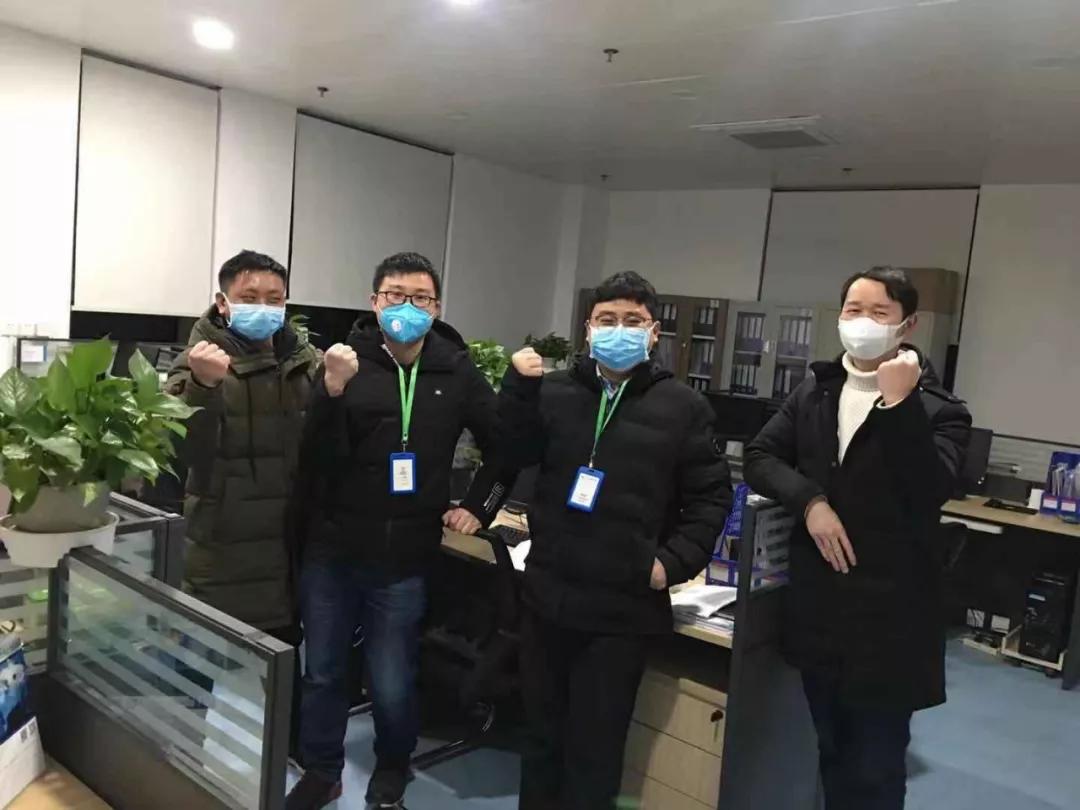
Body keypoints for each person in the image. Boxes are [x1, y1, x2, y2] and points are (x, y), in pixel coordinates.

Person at [285, 252, 513, 810]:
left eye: (420, 298)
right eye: (395, 295)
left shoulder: (456, 371)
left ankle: (392, 766)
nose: (407, 307)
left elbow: (504, 446)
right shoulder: (344, 362)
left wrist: (479, 508)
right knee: (324, 672)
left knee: (392, 678)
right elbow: (312, 458)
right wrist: (331, 392)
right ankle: (322, 770)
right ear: (374, 301)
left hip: (405, 556)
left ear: (436, 308)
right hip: (333, 550)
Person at [498, 271, 732, 810]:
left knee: (594, 753)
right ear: (588, 329)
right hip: (547, 598)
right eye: (607, 320)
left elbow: (710, 499)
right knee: (539, 741)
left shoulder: (683, 407)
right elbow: (512, 455)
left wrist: (669, 564)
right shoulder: (555, 391)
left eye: (633, 321)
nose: (618, 330)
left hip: (620, 611)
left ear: (654, 333)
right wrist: (517, 390)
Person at [743, 266, 972, 810]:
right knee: (829, 752)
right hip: (819, 613)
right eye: (853, 310)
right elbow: (760, 457)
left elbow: (929, 489)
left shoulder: (941, 411)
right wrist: (811, 502)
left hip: (889, 626)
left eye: (878, 312)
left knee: (875, 771)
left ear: (907, 325)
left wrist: (900, 405)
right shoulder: (816, 392)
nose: (862, 321)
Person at [166, 250, 319, 753]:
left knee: (284, 684)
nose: (263, 308)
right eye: (249, 297)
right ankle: (180, 774)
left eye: (275, 299)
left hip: (284, 554)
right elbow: (176, 455)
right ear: (222, 302)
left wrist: (337, 390)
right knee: (194, 678)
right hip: (219, 552)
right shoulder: (195, 364)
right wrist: (203, 387)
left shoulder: (304, 363)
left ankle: (294, 768)